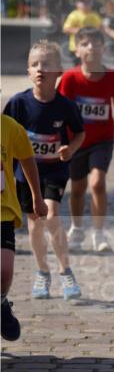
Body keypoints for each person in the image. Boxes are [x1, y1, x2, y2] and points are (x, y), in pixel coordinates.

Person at [4, 40, 86, 300]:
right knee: (35, 224)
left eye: (46, 64)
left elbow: (80, 133)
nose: (40, 69)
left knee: (50, 215)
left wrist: (70, 149)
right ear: (28, 71)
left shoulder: (66, 106)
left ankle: (65, 270)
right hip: (25, 175)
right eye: (34, 64)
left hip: (54, 172)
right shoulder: (18, 104)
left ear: (59, 71)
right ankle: (42, 272)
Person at [59, 27, 114, 252]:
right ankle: (77, 228)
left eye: (96, 43)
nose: (91, 47)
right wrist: (61, 140)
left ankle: (99, 233)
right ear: (77, 50)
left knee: (97, 183)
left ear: (104, 48)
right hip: (76, 142)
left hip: (102, 140)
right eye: (85, 43)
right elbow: (61, 110)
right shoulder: (70, 78)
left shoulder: (111, 77)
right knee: (78, 187)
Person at [1, 114, 48, 340]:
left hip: (3, 211)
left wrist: (37, 197)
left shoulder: (9, 127)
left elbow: (28, 159)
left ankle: (1, 304)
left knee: (4, 270)